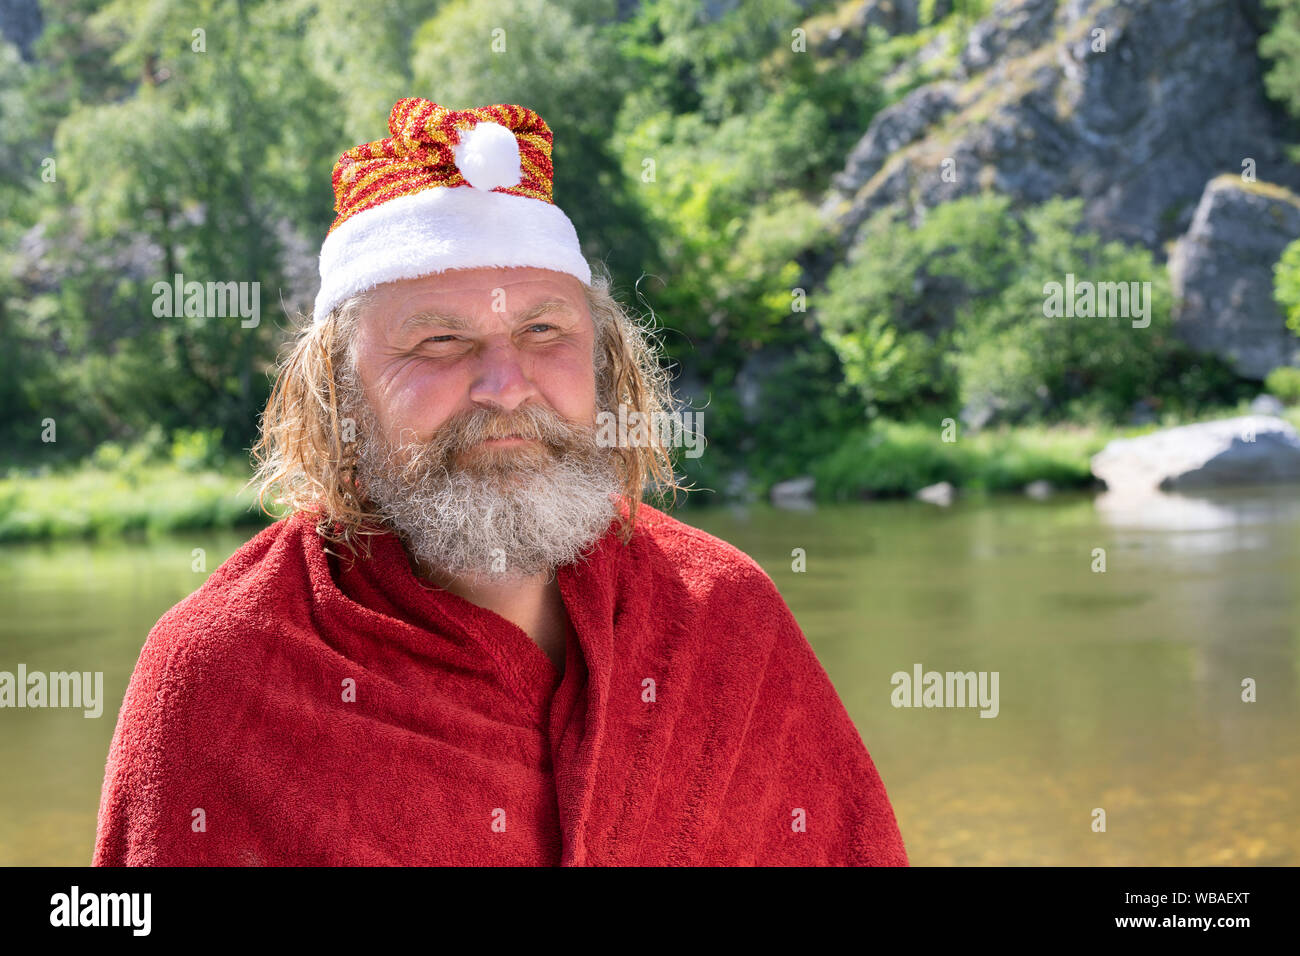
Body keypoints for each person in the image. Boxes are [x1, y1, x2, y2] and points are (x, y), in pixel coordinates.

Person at [92, 98, 907, 866]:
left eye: (543, 329)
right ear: (337, 394)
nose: (505, 385)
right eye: (439, 340)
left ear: (607, 362)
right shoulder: (220, 674)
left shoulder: (726, 616)